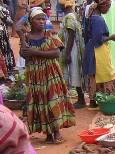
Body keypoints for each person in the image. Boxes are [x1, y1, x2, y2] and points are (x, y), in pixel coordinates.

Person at [19, 8, 75, 142]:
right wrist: (25, 49)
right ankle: (48, 133)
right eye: (38, 19)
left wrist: (35, 52)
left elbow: (56, 53)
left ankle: (56, 132)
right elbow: (24, 54)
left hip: (50, 72)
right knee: (40, 101)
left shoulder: (50, 34)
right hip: (35, 75)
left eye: (43, 18)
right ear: (31, 21)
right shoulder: (27, 37)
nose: (42, 21)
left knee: (52, 100)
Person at [82, 0, 115, 109]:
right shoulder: (98, 19)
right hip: (97, 50)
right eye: (107, 6)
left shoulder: (91, 16)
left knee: (93, 74)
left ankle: (93, 100)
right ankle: (106, 99)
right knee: (105, 73)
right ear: (101, 6)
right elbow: (99, 39)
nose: (108, 9)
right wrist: (111, 37)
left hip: (90, 48)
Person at [58, 0, 86, 109]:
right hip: (73, 48)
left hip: (72, 49)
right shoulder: (71, 15)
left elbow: (71, 34)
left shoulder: (69, 16)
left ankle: (81, 99)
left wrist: (68, 53)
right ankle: (80, 98)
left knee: (74, 73)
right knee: (75, 73)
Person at [0, 4, 15, 75]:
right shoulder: (2, 9)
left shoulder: (3, 8)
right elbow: (9, 21)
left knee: (4, 50)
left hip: (2, 32)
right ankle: (6, 70)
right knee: (4, 50)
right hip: (2, 33)